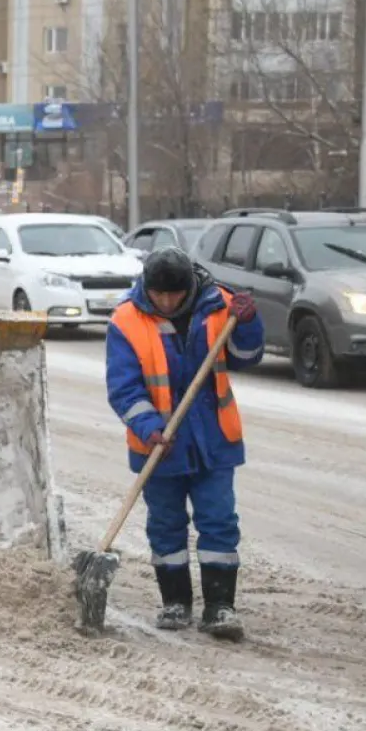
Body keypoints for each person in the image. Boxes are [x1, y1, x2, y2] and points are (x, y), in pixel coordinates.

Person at [105, 246, 263, 641]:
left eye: (175, 295)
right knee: (166, 525)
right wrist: (148, 425)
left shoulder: (219, 305)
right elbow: (123, 388)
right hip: (159, 446)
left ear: (189, 287)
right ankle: (175, 601)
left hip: (214, 438)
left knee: (219, 521)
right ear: (148, 288)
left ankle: (219, 606)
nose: (168, 302)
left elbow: (247, 356)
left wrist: (247, 323)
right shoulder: (126, 320)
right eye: (160, 295)